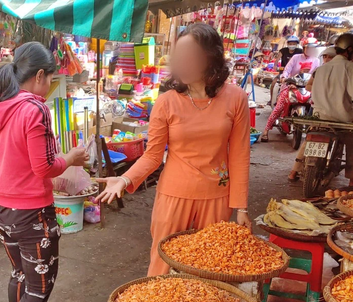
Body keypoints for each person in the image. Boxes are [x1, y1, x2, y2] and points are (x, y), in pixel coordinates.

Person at [97, 24, 251, 277]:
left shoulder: (236, 98)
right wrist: (125, 179)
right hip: (174, 195)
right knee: (162, 265)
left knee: (210, 267)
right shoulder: (166, 101)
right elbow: (153, 154)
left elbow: (239, 155)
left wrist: (241, 208)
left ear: (210, 57)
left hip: (217, 196)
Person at [0, 42, 89, 302]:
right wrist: (70, 158)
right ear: (40, 75)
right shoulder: (33, 109)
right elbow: (44, 168)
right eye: (51, 78)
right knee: (40, 287)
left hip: (2, 209)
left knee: (21, 275)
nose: (51, 85)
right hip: (32, 215)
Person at [289, 34, 353, 181]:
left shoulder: (321, 69)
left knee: (309, 139)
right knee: (351, 141)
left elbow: (311, 90)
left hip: (319, 116)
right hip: (343, 118)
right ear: (349, 49)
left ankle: (294, 171)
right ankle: (351, 179)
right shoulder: (349, 67)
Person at [269, 35, 302, 105]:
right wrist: (275, 66)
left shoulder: (299, 52)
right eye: (290, 44)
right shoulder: (283, 50)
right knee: (273, 83)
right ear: (288, 44)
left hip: (296, 74)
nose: (292, 45)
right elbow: (277, 60)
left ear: (296, 44)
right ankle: (272, 100)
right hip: (284, 73)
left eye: (294, 44)